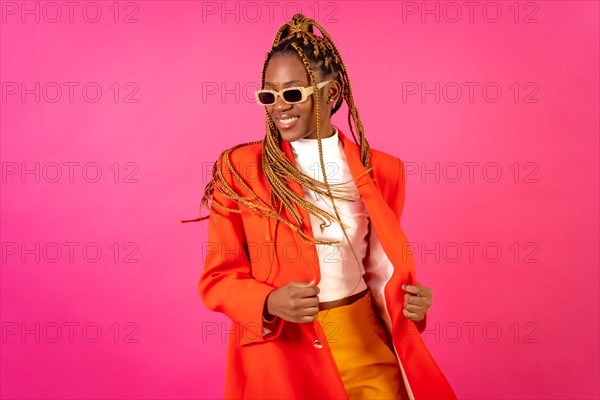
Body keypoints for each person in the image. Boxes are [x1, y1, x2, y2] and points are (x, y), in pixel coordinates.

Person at [182, 13, 457, 400]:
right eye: (269, 95)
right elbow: (217, 277)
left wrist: (413, 303)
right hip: (284, 349)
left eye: (293, 93)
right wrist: (267, 301)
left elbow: (381, 266)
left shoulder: (383, 170)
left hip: (364, 338)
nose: (279, 107)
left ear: (330, 93)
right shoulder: (241, 170)